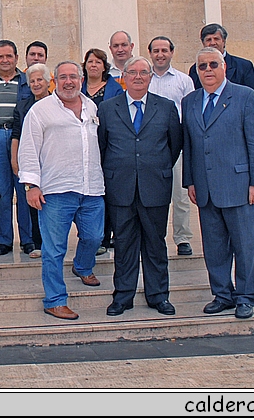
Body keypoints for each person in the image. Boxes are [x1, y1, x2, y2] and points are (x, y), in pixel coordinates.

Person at [183, 47, 254, 319]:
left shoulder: (245, 97)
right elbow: (190, 144)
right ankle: (222, 294)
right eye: (202, 66)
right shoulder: (190, 101)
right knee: (214, 246)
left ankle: (246, 296)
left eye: (212, 64)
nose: (207, 70)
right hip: (206, 188)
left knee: (246, 246)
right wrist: (190, 181)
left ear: (224, 67)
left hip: (240, 186)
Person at [17, 61, 105, 321]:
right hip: (55, 190)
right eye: (63, 77)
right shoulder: (40, 110)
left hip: (91, 187)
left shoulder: (92, 107)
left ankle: (82, 266)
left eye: (74, 77)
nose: (69, 82)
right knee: (54, 249)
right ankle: (54, 300)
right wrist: (31, 186)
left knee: (95, 237)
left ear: (81, 78)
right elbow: (28, 149)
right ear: (55, 80)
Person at [97, 56, 182, 317]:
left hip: (154, 186)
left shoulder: (166, 107)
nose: (137, 77)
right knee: (123, 244)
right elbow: (102, 145)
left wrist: (153, 167)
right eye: (132, 72)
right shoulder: (107, 108)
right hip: (120, 187)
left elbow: (174, 145)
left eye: (143, 73)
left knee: (156, 243)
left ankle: (158, 296)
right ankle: (123, 296)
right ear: (124, 76)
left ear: (150, 77)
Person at [0, 40, 34, 255]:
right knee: (1, 192)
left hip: (23, 139)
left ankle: (27, 239)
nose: (4, 60)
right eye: (0, 57)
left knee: (24, 190)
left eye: (8, 56)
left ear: (16, 58)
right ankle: (3, 239)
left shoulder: (27, 81)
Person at [147, 36, 196, 256]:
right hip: (149, 147)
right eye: (156, 50)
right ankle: (153, 237)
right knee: (152, 196)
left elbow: (190, 114)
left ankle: (183, 238)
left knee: (180, 196)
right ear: (150, 54)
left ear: (172, 53)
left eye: (164, 50)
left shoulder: (184, 81)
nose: (160, 54)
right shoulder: (144, 78)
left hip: (176, 145)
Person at [81, 48, 124, 255]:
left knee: (105, 192)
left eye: (98, 62)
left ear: (104, 66)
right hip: (82, 148)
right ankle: (90, 237)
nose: (94, 65)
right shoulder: (78, 88)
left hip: (107, 146)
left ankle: (106, 236)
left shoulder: (114, 89)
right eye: (90, 61)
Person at [10, 63, 52, 258]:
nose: (36, 84)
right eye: (32, 81)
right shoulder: (23, 106)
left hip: (52, 160)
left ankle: (53, 243)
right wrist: (15, 160)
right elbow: (16, 135)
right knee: (34, 201)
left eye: (39, 80)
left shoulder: (57, 103)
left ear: (48, 81)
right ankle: (38, 243)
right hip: (31, 160)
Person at [188, 23, 254, 92]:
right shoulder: (195, 69)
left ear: (223, 41)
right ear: (203, 43)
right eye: (208, 40)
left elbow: (251, 97)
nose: (213, 43)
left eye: (216, 39)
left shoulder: (243, 66)